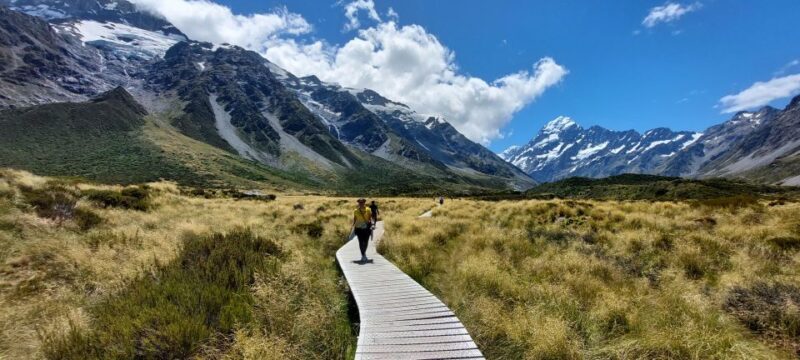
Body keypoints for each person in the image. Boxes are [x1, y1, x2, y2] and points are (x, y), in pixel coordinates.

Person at [350, 198, 373, 262]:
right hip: (358, 228)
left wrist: (372, 225)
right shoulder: (356, 211)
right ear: (358, 203)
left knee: (366, 242)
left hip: (367, 228)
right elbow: (355, 219)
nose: (361, 203)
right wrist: (352, 226)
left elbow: (370, 218)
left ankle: (364, 253)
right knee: (360, 242)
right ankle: (363, 255)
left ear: (364, 202)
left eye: (362, 202)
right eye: (360, 202)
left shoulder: (368, 209)